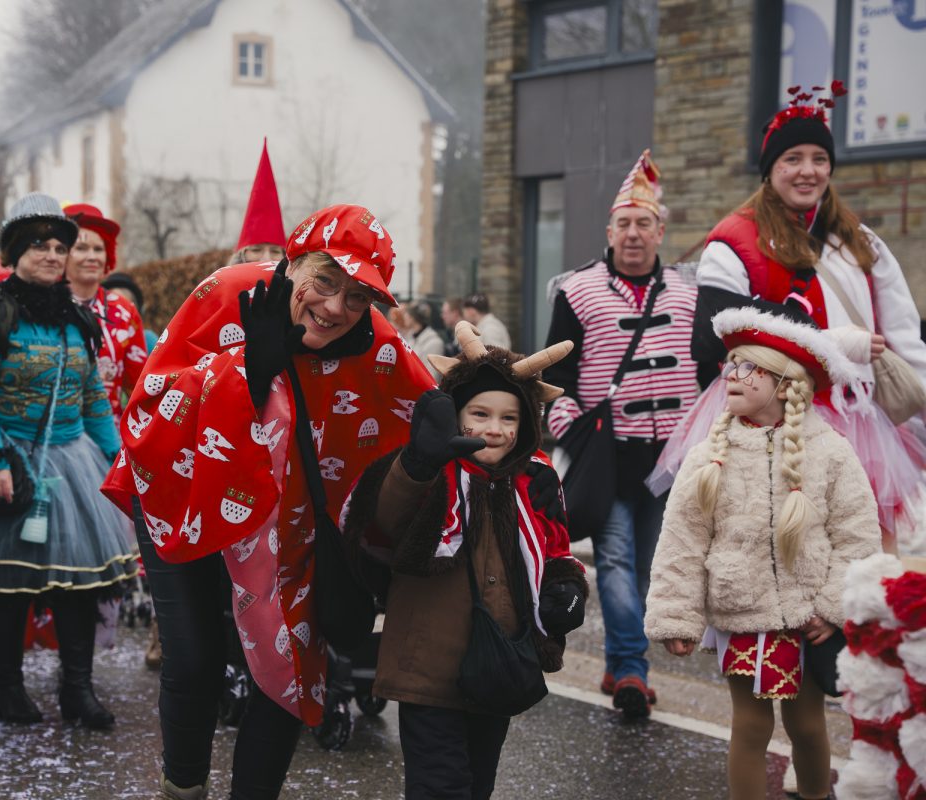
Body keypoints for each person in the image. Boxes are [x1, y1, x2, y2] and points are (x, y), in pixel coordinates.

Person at [102, 203, 435, 800]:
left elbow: (445, 403)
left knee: (288, 673)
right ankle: (183, 789)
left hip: (290, 523)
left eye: (358, 296)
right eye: (325, 281)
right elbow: (148, 407)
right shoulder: (226, 293)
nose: (336, 308)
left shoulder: (377, 344)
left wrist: (499, 397)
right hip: (181, 500)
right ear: (294, 259)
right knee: (196, 660)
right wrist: (244, 373)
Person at [341, 321, 586, 799]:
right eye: (480, 413)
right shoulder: (430, 469)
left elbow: (555, 548)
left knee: (477, 786)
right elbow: (384, 521)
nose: (494, 430)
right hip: (427, 670)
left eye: (510, 418)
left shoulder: (534, 479)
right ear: (456, 413)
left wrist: (567, 589)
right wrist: (418, 464)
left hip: (498, 666)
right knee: (440, 787)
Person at [645, 307, 880, 800]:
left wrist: (833, 608)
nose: (731, 375)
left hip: (807, 615)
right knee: (749, 726)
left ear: (784, 381)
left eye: (747, 367)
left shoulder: (830, 451)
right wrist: (677, 615)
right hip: (741, 611)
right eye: (729, 364)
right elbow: (682, 540)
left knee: (808, 725)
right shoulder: (710, 454)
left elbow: (857, 534)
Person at [691, 82, 926, 554]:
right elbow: (713, 335)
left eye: (819, 159)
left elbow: (902, 332)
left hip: (862, 424)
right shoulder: (733, 241)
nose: (807, 171)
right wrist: (828, 342)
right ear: (770, 169)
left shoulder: (860, 241)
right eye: (792, 159)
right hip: (774, 425)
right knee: (783, 551)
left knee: (864, 556)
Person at [0, 192, 136, 731]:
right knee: (11, 586)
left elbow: (93, 398)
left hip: (73, 463)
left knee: (80, 583)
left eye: (57, 246)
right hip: (10, 458)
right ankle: (8, 687)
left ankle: (78, 690)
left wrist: (120, 460)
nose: (51, 255)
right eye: (38, 245)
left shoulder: (76, 318)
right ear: (15, 252)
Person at [543, 149, 700, 717]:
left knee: (645, 568)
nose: (634, 234)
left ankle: (617, 661)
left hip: (669, 461)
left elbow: (709, 370)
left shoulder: (690, 293)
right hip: (609, 455)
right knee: (611, 561)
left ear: (661, 231)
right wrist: (570, 430)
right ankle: (633, 670)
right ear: (609, 231)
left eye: (645, 224)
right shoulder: (577, 291)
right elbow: (555, 375)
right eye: (624, 224)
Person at [64, 203, 148, 419]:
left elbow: (139, 388)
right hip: (55, 433)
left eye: (98, 249)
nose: (92, 257)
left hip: (108, 437)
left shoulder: (125, 311)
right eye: (81, 248)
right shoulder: (43, 307)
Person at [228, 139, 286, 265]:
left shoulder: (297, 285)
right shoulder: (221, 285)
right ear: (241, 255)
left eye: (275, 251)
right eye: (256, 250)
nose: (266, 258)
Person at [102, 271, 159, 352]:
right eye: (111, 306)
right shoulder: (95, 341)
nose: (117, 313)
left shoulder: (147, 340)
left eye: (123, 306)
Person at [391, 300, 446, 381]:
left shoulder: (435, 343)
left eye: (407, 313)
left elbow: (432, 377)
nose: (404, 316)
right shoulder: (410, 338)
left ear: (413, 317)